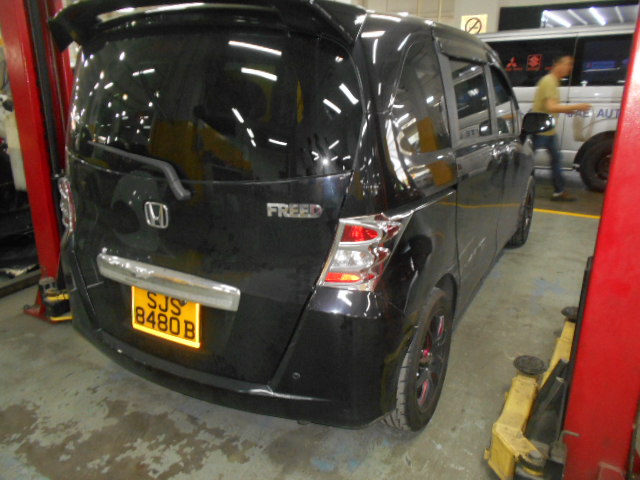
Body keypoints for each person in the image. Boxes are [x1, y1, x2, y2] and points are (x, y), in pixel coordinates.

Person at [532, 55, 591, 201]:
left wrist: (568, 109)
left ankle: (559, 191)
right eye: (568, 64)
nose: (570, 68)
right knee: (525, 160)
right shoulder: (549, 81)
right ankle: (507, 184)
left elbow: (551, 107)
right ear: (557, 64)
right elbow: (551, 107)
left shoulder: (553, 81)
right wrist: (578, 106)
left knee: (555, 160)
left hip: (548, 130)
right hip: (541, 130)